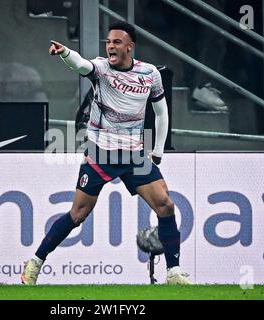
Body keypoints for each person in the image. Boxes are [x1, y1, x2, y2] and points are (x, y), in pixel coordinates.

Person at [21, 22, 192, 285]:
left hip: (134, 155)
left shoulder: (149, 74)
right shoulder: (101, 69)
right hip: (101, 153)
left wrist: (157, 150)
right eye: (108, 42)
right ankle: (35, 262)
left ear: (129, 47)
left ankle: (174, 272)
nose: (110, 46)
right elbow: (81, 65)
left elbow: (161, 112)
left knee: (165, 205)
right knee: (78, 214)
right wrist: (66, 53)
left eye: (116, 42)